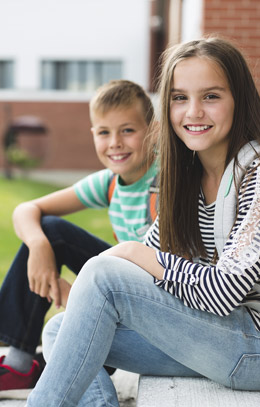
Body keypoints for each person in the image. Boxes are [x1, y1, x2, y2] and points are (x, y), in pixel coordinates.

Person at [27, 36, 260, 406]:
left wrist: (129, 254)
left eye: (211, 96)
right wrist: (105, 284)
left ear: (239, 99)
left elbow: (224, 291)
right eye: (180, 98)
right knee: (60, 329)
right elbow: (143, 268)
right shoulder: (189, 174)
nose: (193, 112)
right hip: (220, 339)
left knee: (102, 276)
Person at [0, 80, 157, 395]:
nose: (115, 142)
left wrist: (85, 296)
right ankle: (20, 364)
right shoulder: (110, 183)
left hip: (153, 303)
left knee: (56, 233)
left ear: (153, 130)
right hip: (118, 288)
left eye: (128, 130)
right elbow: (27, 210)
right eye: (104, 132)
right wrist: (39, 248)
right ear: (93, 135)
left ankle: (30, 366)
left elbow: (161, 271)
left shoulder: (164, 181)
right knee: (49, 230)